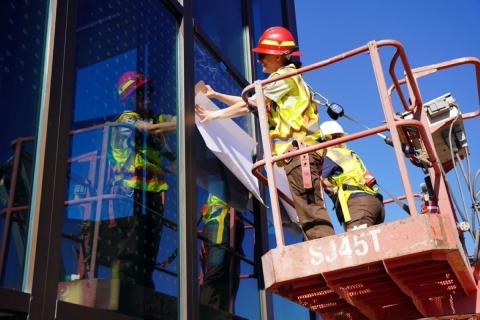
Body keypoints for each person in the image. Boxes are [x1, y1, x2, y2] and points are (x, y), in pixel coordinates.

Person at [195, 26, 334, 240]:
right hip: (302, 153)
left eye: (262, 55)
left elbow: (251, 105)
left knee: (310, 212)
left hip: (299, 154)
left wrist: (213, 115)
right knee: (308, 209)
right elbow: (251, 102)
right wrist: (216, 95)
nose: (260, 60)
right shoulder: (289, 78)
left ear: (278, 56)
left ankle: (325, 253)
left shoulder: (283, 76)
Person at [102, 71, 176, 289]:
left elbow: (173, 120)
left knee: (149, 249)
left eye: (149, 90)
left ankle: (144, 293)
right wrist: (189, 120)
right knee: (131, 247)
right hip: (128, 191)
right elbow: (151, 129)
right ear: (128, 97)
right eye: (142, 91)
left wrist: (196, 113)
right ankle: (124, 294)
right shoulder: (127, 119)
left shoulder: (153, 118)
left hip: (151, 193)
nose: (148, 95)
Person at [319, 120, 385, 231]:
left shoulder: (331, 155)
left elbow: (317, 180)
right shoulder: (348, 153)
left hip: (358, 203)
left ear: (325, 139)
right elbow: (344, 177)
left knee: (358, 241)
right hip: (372, 201)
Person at [199, 193, 245, 312]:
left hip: (228, 225)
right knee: (216, 274)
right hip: (219, 225)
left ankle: (222, 313)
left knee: (230, 277)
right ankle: (206, 314)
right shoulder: (217, 184)